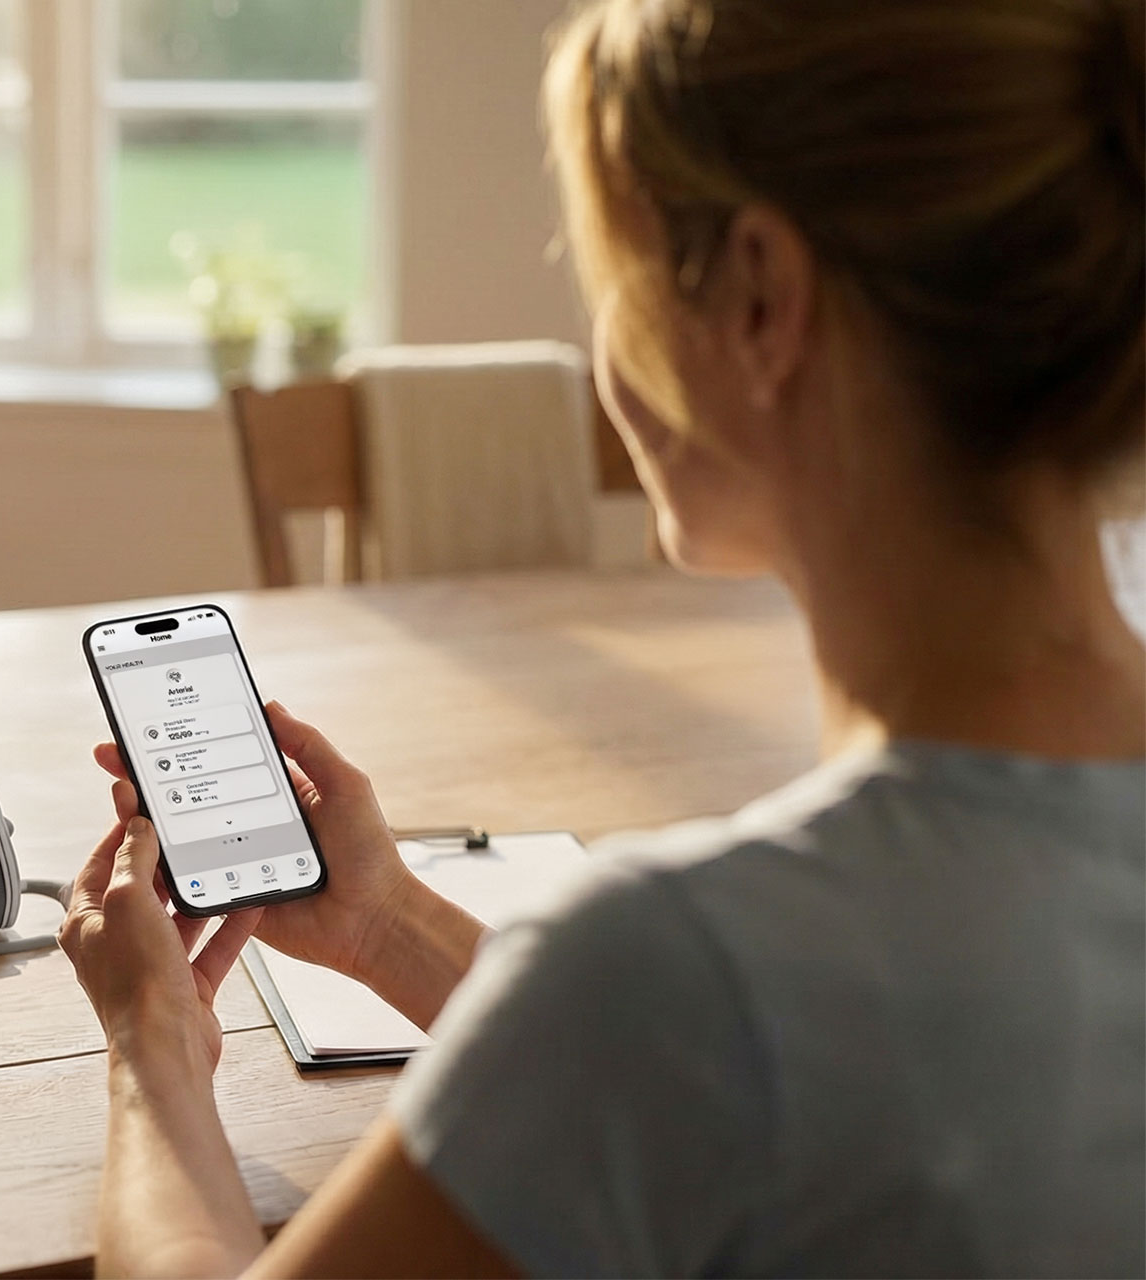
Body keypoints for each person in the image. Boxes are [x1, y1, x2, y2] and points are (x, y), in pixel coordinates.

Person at [57, 0, 1146, 1274]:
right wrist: (386, 923)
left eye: (606, 274)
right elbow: (727, 1089)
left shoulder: (685, 967)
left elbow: (699, 1037)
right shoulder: (718, 993)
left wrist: (151, 1047)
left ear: (757, 300)